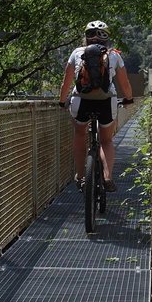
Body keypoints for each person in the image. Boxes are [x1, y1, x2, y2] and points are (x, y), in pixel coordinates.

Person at [58, 20, 134, 191]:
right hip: (107, 102)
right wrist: (129, 99)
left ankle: (81, 177)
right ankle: (107, 177)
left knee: (79, 134)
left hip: (81, 101)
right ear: (106, 38)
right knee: (106, 140)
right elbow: (125, 84)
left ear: (86, 37)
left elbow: (66, 83)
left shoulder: (77, 53)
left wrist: (62, 101)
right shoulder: (114, 55)